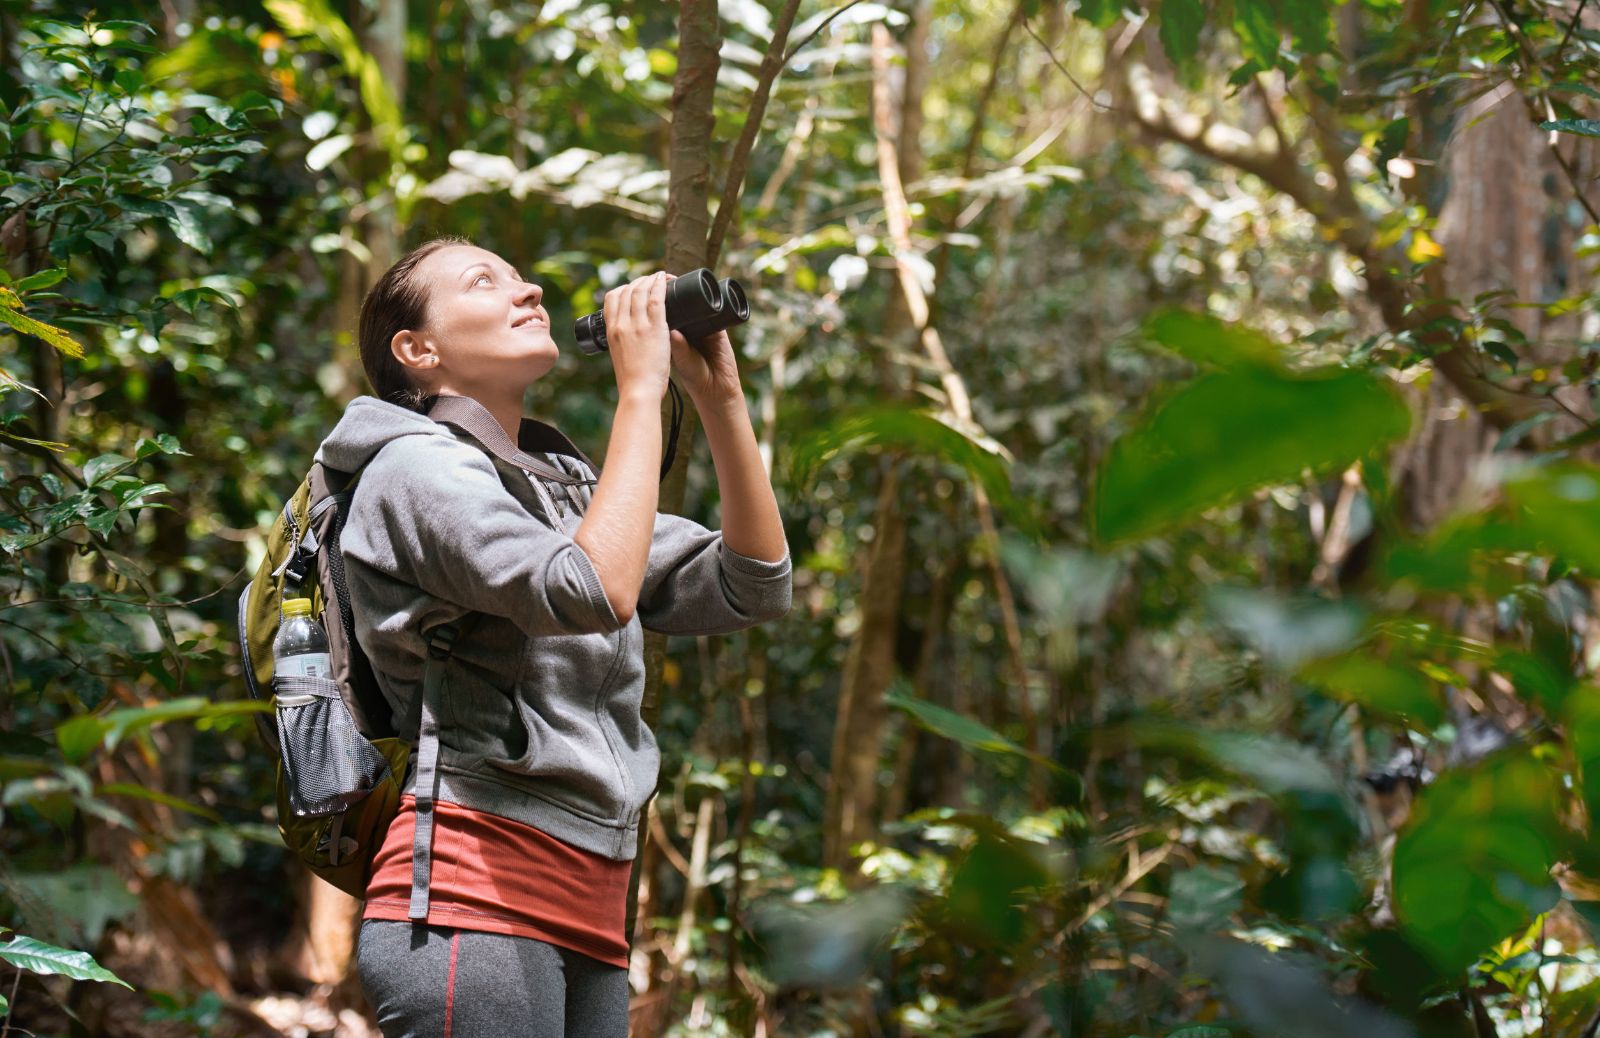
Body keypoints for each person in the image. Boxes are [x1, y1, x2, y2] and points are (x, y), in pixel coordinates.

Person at [311, 236, 792, 1037]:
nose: (527, 288)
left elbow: (754, 582)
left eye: (519, 275)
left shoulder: (560, 491)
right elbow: (589, 590)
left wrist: (720, 400)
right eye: (483, 281)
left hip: (593, 903)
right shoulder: (410, 472)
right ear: (417, 350)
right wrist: (639, 392)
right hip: (471, 892)